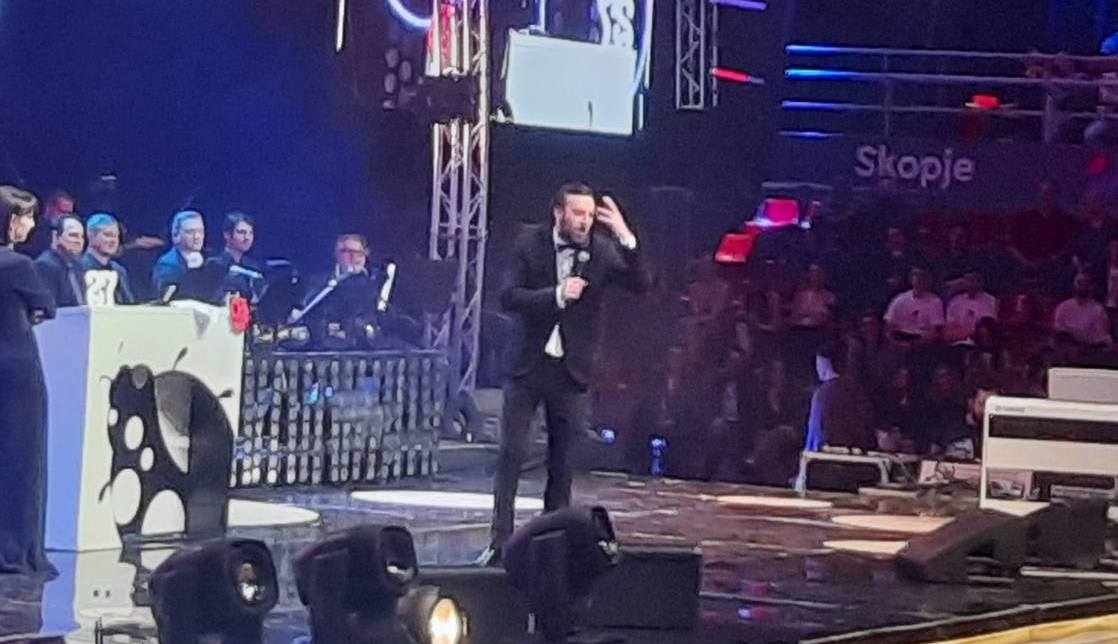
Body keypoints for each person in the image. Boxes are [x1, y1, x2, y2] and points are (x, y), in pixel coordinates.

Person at [483, 182, 648, 564]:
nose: (584, 221)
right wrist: (556, 295)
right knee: (511, 454)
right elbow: (508, 296)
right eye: (577, 213)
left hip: (571, 370)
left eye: (590, 215)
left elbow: (641, 284)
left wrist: (626, 237)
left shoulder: (601, 250)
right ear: (558, 212)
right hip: (528, 365)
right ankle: (499, 543)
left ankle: (549, 545)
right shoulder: (529, 243)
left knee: (562, 462)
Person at [0, 185, 56, 575]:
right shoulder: (17, 265)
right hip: (17, 370)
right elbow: (47, 306)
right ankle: (18, 548)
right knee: (23, 459)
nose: (31, 225)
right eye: (26, 217)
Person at [803, 340, 875, 453]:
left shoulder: (822, 394)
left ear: (824, 363)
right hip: (857, 455)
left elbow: (815, 433)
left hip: (827, 456)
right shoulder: (857, 390)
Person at [79, 213, 136, 304]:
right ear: (90, 235)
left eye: (116, 236)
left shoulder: (119, 271)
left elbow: (129, 304)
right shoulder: (78, 268)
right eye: (108, 235)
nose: (113, 241)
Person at [33, 214, 86, 307]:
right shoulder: (45, 265)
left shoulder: (78, 266)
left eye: (82, 236)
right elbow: (48, 308)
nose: (79, 241)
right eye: (73, 235)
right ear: (56, 237)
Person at [152, 210, 206, 298]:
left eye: (200, 231)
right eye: (190, 232)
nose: (197, 237)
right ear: (176, 235)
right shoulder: (167, 265)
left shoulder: (209, 262)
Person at [883, 267, 945, 344]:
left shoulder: (935, 302)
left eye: (923, 278)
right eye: (917, 277)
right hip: (900, 339)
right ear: (911, 280)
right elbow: (889, 326)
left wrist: (916, 343)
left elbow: (934, 331)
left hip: (922, 341)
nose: (920, 281)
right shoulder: (899, 299)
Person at [211, 211, 263, 300]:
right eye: (241, 232)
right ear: (227, 235)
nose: (247, 237)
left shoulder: (254, 267)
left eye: (250, 233)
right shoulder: (215, 264)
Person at [1053, 273, 1113, 347]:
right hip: (1066, 347)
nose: (1082, 286)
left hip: (1090, 348)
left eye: (1085, 283)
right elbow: (1058, 330)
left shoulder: (1098, 310)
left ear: (1091, 287)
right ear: (1074, 285)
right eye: (1079, 283)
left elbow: (1101, 337)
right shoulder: (1062, 307)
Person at [944, 272, 998, 343]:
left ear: (981, 282)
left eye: (973, 280)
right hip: (957, 340)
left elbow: (987, 325)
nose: (970, 283)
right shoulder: (955, 301)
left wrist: (970, 333)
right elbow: (949, 328)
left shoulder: (990, 300)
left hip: (979, 341)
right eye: (967, 280)